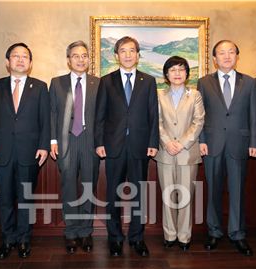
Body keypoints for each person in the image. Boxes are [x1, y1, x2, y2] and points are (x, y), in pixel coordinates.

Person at [0, 42, 50, 259]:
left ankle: (23, 239)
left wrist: (43, 146)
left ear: (30, 63)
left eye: (25, 57)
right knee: (5, 198)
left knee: (26, 198)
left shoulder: (39, 87)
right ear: (7, 62)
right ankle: (7, 238)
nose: (20, 60)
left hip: (29, 152)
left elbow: (45, 120)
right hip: (1, 151)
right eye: (15, 56)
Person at [94, 36, 159, 257]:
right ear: (116, 55)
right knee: (113, 194)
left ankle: (137, 238)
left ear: (138, 55)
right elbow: (100, 116)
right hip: (113, 146)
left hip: (140, 146)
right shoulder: (106, 80)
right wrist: (99, 142)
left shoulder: (148, 81)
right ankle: (115, 238)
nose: (128, 55)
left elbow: (153, 114)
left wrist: (153, 142)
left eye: (132, 51)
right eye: (123, 51)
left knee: (139, 194)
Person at [198, 40, 256, 256]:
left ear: (237, 56)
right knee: (213, 190)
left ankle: (238, 234)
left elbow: (255, 114)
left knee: (237, 191)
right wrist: (201, 140)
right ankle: (214, 232)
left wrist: (254, 142)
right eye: (221, 53)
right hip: (212, 144)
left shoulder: (250, 83)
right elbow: (200, 115)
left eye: (231, 52)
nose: (226, 56)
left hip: (239, 144)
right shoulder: (204, 82)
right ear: (214, 58)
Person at [49, 41, 100, 254]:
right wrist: (53, 141)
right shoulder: (57, 83)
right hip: (66, 142)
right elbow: (51, 113)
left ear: (89, 59)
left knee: (89, 186)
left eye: (84, 55)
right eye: (76, 56)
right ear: (68, 59)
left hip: (91, 142)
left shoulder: (98, 83)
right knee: (68, 187)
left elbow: (104, 116)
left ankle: (86, 231)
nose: (81, 59)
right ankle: (71, 232)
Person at [154, 56, 204, 251]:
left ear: (187, 74)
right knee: (168, 195)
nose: (177, 73)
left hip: (187, 153)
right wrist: (167, 142)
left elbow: (198, 122)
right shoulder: (159, 95)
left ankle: (184, 236)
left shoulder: (195, 95)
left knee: (185, 196)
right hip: (165, 153)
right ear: (166, 74)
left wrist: (181, 143)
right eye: (172, 70)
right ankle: (169, 234)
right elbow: (156, 121)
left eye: (181, 70)